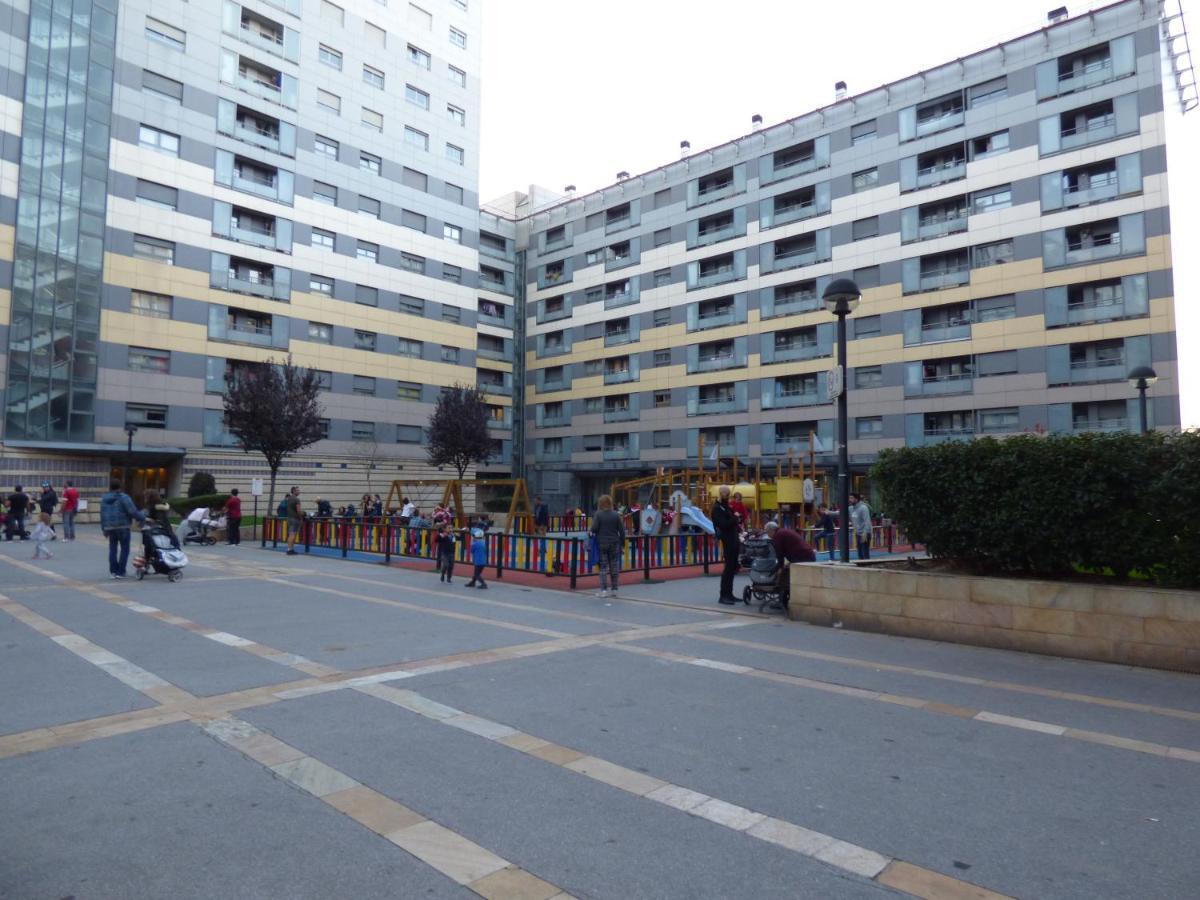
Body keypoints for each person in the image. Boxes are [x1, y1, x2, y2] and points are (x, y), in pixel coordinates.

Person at [100, 479, 146, 579]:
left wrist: (103, 528)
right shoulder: (124, 497)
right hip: (123, 526)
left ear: (110, 487)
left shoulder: (104, 498)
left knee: (112, 549)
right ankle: (121, 572)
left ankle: (113, 571)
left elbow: (102, 515)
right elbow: (132, 511)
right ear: (120, 487)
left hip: (110, 527)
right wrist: (142, 517)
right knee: (124, 549)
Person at [764, 521, 816, 607]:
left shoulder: (778, 536)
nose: (767, 535)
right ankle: (788, 599)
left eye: (767, 532)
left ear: (771, 530)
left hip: (803, 557)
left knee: (785, 577)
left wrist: (779, 568)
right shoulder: (782, 532)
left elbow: (779, 554)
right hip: (805, 556)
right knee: (791, 575)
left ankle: (783, 601)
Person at [589, 494, 625, 598]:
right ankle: (614, 589)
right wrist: (622, 544)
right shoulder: (616, 515)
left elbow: (594, 528)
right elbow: (622, 531)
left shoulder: (598, 514)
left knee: (603, 567)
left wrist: (590, 532)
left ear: (600, 503)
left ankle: (603, 590)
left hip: (602, 543)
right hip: (614, 543)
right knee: (614, 566)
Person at [712, 485, 742, 605]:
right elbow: (723, 524)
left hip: (733, 539)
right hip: (727, 540)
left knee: (733, 567)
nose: (728, 496)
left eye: (729, 494)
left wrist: (736, 518)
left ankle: (729, 594)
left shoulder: (725, 507)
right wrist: (735, 518)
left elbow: (731, 520)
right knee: (728, 568)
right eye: (726, 494)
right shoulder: (717, 508)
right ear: (721, 494)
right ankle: (723, 595)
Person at [850, 492, 873, 560]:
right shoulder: (850, 508)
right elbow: (841, 512)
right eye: (849, 498)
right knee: (860, 554)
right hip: (858, 533)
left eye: (851, 498)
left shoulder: (863, 508)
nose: (849, 499)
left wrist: (865, 533)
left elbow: (867, 521)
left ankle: (867, 568)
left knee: (865, 553)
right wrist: (829, 513)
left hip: (865, 533)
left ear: (856, 499)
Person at [285, 486, 304, 555]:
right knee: (293, 534)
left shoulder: (289, 498)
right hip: (295, 518)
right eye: (297, 490)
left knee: (291, 533)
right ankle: (290, 549)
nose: (299, 491)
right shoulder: (296, 499)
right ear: (293, 491)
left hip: (289, 518)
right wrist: (301, 518)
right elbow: (298, 511)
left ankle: (291, 549)